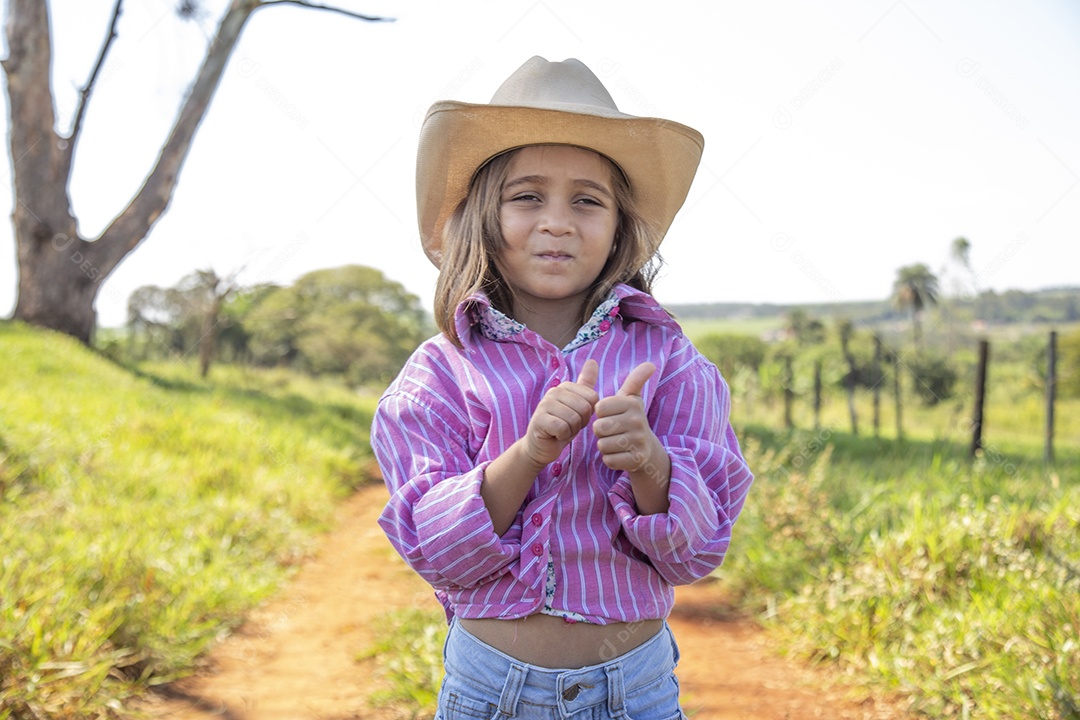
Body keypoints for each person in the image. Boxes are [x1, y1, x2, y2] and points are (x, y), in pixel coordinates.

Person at [372, 56, 754, 720]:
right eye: (526, 196)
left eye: (587, 199)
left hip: (635, 692)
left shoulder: (671, 362)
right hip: (490, 691)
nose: (558, 221)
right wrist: (529, 452)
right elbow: (438, 552)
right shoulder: (439, 374)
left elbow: (697, 550)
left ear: (618, 229)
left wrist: (650, 463)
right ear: (483, 217)